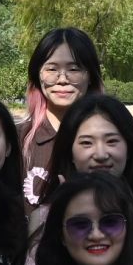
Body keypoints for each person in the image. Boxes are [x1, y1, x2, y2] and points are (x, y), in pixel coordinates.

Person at [19, 28, 104, 205]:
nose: (62, 79)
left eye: (74, 69)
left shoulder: (111, 140)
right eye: (52, 69)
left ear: (90, 76)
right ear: (37, 75)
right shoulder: (17, 139)